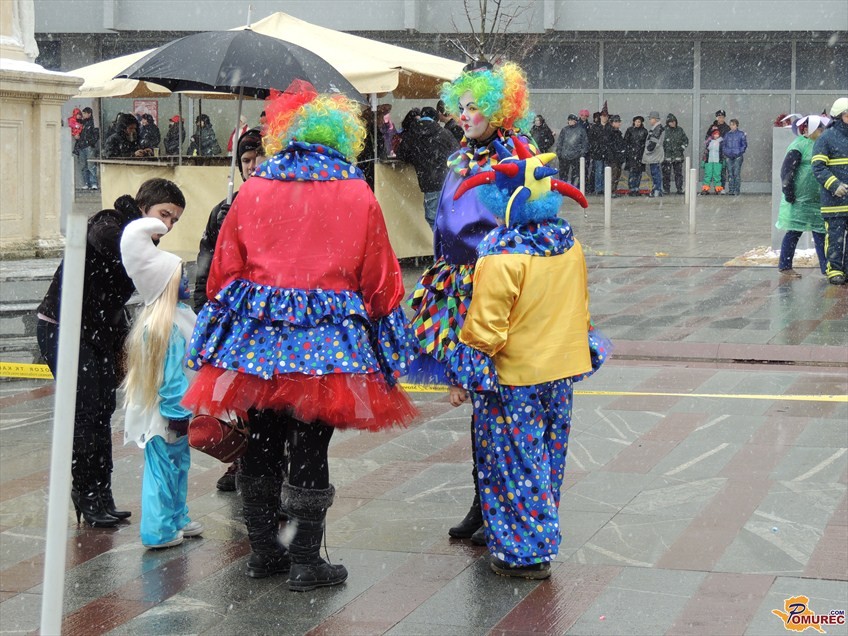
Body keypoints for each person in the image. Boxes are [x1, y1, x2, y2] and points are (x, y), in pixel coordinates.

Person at [182, 81, 418, 588]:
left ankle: (264, 552)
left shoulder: (254, 188)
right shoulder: (356, 191)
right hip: (326, 342)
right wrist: (383, 324)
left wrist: (227, 316)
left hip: (258, 338)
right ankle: (306, 561)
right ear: (340, 136)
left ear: (282, 133)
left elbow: (224, 268)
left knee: (261, 441)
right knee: (311, 445)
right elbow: (380, 277)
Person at [407, 60, 587, 547]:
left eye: (475, 108)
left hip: (498, 282)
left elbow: (525, 220)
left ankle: (501, 508)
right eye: (461, 107)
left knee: (500, 405)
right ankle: (486, 502)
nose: (464, 116)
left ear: (499, 108)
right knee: (483, 407)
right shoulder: (462, 155)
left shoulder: (515, 154)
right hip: (459, 280)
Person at [444, 137, 608, 579]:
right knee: (548, 458)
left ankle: (524, 553)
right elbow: (579, 307)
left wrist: (462, 375)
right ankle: (540, 537)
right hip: (560, 371)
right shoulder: (569, 246)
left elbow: (485, 329)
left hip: (513, 377)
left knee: (514, 462)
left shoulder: (502, 257)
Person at [36, 178, 186, 528]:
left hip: (99, 332)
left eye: (174, 220)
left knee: (104, 409)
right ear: (144, 207)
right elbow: (107, 242)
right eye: (164, 214)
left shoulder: (142, 246)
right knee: (85, 411)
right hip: (63, 326)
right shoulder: (110, 222)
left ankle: (102, 492)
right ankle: (86, 492)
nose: (167, 225)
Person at [120, 217, 204, 549]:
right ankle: (158, 529)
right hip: (166, 414)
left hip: (175, 410)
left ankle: (176, 517)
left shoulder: (175, 316)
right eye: (180, 275)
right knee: (162, 469)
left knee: (177, 465)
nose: (187, 279)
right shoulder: (165, 325)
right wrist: (177, 413)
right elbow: (170, 378)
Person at [192, 127, 265, 492]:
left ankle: (271, 462)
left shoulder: (282, 201)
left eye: (258, 159)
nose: (252, 166)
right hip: (230, 314)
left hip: (265, 314)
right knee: (235, 392)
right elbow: (207, 259)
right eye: (246, 160)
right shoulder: (224, 208)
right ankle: (239, 455)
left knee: (267, 397)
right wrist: (201, 302)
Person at [776, 115, 830, 278]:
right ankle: (785, 266)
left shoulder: (821, 144)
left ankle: (827, 268)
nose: (822, 131)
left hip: (817, 200)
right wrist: (789, 192)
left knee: (821, 234)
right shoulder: (798, 145)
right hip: (799, 200)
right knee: (794, 232)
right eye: (819, 129)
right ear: (809, 129)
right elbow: (787, 171)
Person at [395, 105, 460, 230]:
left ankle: (441, 241)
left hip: (429, 183)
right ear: (436, 119)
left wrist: (416, 157)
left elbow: (401, 155)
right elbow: (457, 153)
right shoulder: (444, 133)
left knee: (433, 219)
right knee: (449, 219)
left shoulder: (412, 135)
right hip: (449, 182)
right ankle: (446, 240)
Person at [812, 97, 848, 285]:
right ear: (839, 116)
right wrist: (835, 185)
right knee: (835, 238)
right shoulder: (826, 138)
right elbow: (818, 167)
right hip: (834, 201)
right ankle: (834, 270)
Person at [555, 114, 588, 186]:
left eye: (572, 120)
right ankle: (562, 187)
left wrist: (581, 154)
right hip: (564, 156)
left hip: (576, 156)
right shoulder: (564, 130)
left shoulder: (581, 130)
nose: (570, 121)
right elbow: (560, 142)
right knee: (563, 175)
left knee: (575, 175)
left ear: (575, 121)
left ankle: (573, 188)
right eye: (569, 120)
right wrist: (559, 153)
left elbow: (585, 143)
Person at [662, 113, 688, 195]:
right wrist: (663, 151)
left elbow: (685, 140)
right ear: (668, 123)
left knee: (678, 174)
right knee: (666, 174)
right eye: (671, 122)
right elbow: (661, 142)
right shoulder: (664, 130)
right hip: (667, 156)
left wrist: (682, 147)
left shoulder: (680, 130)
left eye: (674, 121)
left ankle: (679, 188)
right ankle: (666, 189)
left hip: (678, 156)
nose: (673, 123)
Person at [704, 109, 731, 189]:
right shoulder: (712, 127)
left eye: (722, 117)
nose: (721, 119)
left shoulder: (727, 128)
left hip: (722, 153)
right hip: (711, 153)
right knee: (709, 171)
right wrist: (709, 144)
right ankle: (706, 187)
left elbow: (728, 140)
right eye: (719, 117)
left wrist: (723, 145)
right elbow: (707, 138)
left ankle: (721, 188)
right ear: (717, 118)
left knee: (721, 171)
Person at [75, 107, 99, 190]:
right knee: (83, 166)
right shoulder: (83, 123)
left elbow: (96, 135)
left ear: (89, 114)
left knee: (90, 165)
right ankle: (86, 183)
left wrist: (90, 142)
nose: (83, 115)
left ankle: (93, 183)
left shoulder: (93, 123)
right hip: (82, 146)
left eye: (85, 113)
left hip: (88, 146)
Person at [642, 111, 665, 197]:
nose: (649, 120)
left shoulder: (657, 128)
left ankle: (657, 190)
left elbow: (653, 142)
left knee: (655, 173)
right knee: (655, 172)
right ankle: (657, 189)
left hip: (654, 155)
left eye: (650, 118)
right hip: (655, 154)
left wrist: (648, 150)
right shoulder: (657, 128)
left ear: (655, 119)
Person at [722, 118, 748, 195]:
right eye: (730, 125)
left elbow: (744, 145)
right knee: (730, 173)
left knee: (736, 173)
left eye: (733, 125)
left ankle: (736, 190)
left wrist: (738, 152)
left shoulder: (741, 134)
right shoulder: (727, 135)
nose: (732, 126)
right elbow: (724, 145)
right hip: (729, 156)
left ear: (737, 125)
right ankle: (731, 190)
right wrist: (727, 153)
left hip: (738, 156)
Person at [624, 115, 648, 196]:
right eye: (636, 121)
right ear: (634, 122)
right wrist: (628, 151)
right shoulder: (630, 130)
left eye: (639, 122)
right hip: (631, 155)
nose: (637, 123)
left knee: (639, 173)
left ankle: (636, 188)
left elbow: (645, 143)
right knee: (632, 172)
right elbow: (626, 141)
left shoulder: (644, 131)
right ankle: (632, 189)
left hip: (640, 155)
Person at [589, 108, 611, 194]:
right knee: (598, 171)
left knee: (606, 172)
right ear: (600, 117)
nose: (604, 118)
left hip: (607, 153)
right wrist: (595, 148)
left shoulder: (610, 127)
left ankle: (605, 188)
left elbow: (611, 140)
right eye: (603, 116)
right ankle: (598, 189)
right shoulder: (595, 127)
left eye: (606, 116)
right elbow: (591, 139)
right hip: (598, 153)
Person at [608, 115, 626, 195]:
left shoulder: (618, 133)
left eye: (619, 122)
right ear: (612, 123)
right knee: (613, 175)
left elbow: (621, 145)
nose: (619, 123)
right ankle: (611, 191)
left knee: (617, 175)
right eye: (617, 122)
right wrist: (612, 156)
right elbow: (609, 146)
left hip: (618, 158)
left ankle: (614, 190)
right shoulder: (610, 133)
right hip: (613, 158)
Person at [701, 129, 724, 194]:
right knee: (708, 175)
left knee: (717, 175)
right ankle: (705, 189)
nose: (716, 135)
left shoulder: (721, 142)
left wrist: (723, 161)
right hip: (709, 161)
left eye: (717, 134)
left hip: (717, 161)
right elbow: (706, 152)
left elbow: (722, 152)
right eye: (715, 134)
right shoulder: (709, 142)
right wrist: (704, 160)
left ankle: (718, 189)